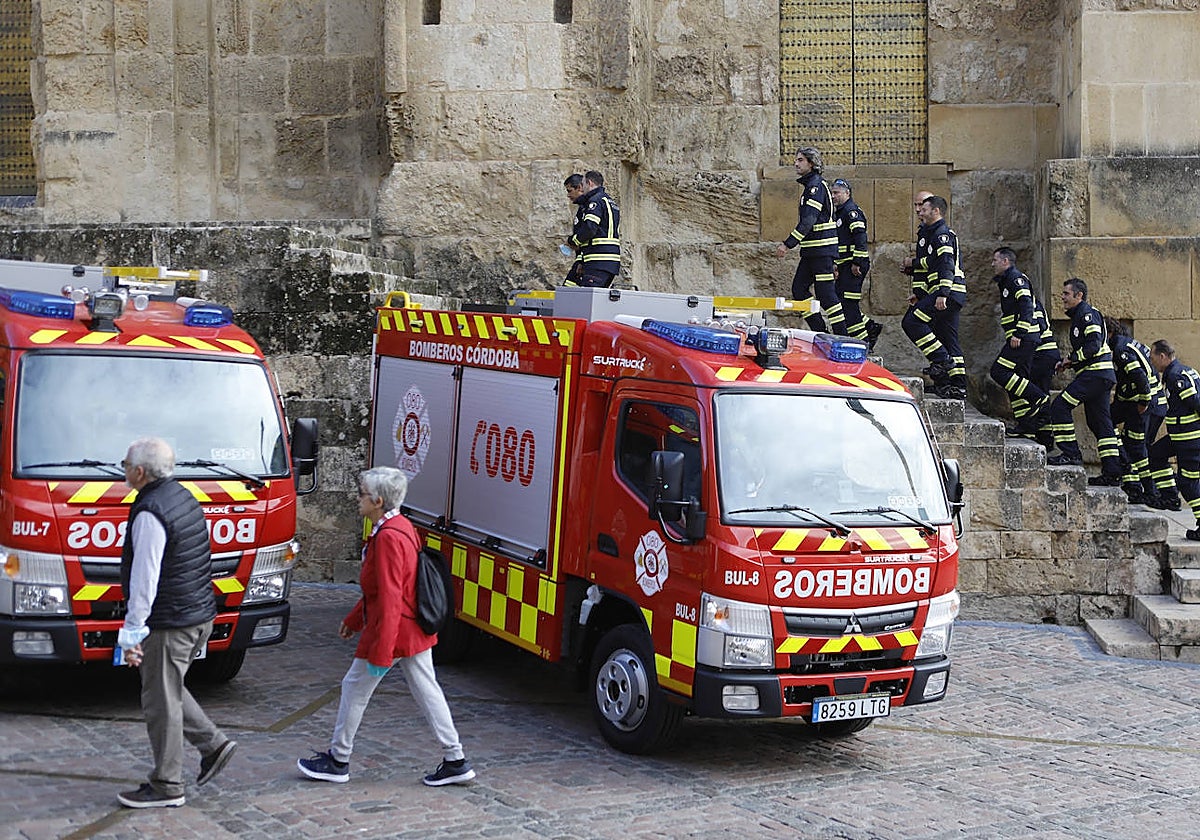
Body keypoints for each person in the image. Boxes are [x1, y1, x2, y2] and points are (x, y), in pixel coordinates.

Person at [298, 466, 476, 786]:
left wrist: (381, 650)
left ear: (378, 501)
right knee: (427, 690)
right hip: (411, 629)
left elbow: (391, 596)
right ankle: (455, 759)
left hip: (393, 631)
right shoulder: (400, 526)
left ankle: (339, 760)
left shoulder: (388, 537)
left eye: (363, 494)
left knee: (355, 688)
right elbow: (384, 591)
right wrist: (354, 620)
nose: (358, 499)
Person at [116, 437, 237, 809]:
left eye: (125, 464)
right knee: (167, 687)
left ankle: (168, 784)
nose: (122, 469)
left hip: (171, 620)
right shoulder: (182, 496)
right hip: (195, 612)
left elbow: (145, 579)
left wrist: (131, 632)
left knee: (159, 701)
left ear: (139, 471)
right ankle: (213, 745)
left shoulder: (151, 511)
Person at [1036, 279, 1122, 480]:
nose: (1062, 297)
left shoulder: (1087, 315)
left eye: (1066, 294)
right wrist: (1070, 363)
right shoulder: (1081, 315)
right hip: (1099, 374)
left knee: (1059, 407)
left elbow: (1093, 346)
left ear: (1079, 295)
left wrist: (1071, 358)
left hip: (1095, 374)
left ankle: (1071, 454)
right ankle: (1113, 472)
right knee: (1100, 423)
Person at [901, 195, 967, 399]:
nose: (920, 211)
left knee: (911, 321)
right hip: (946, 292)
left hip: (948, 292)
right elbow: (931, 265)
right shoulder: (930, 233)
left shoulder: (942, 234)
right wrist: (919, 292)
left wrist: (942, 293)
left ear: (936, 211)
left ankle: (942, 360)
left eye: (924, 208)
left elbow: (946, 264)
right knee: (948, 337)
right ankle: (956, 385)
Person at [989, 248, 1055, 437]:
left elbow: (1026, 305)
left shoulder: (1016, 279)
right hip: (1022, 337)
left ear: (1006, 261)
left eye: (995, 260)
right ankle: (1026, 425)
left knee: (999, 371)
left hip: (1024, 338)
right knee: (1016, 380)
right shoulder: (1007, 281)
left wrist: (1019, 333)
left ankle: (1038, 398)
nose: (993, 264)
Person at [775, 147, 839, 333]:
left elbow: (808, 220)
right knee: (799, 290)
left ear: (811, 163)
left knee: (827, 296)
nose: (796, 163)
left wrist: (787, 244)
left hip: (822, 251)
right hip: (813, 252)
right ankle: (821, 332)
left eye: (800, 160)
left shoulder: (815, 186)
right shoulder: (812, 185)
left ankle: (842, 336)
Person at [1104, 318, 1167, 503]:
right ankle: (1132, 483)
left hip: (1146, 405)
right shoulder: (1125, 343)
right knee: (1108, 423)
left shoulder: (1121, 350)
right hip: (1144, 403)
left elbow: (1139, 377)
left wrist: (1144, 401)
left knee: (1138, 448)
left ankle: (1149, 490)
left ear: (1109, 333)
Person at [1146, 340, 1200, 540]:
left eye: (1153, 358)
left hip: (1189, 438)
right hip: (1179, 436)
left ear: (1163, 356)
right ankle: (1169, 497)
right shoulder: (1182, 371)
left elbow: (1195, 401)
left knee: (1188, 483)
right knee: (1155, 455)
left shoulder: (1176, 376)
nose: (1152, 363)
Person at [830, 178, 882, 350]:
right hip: (845, 265)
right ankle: (870, 327)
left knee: (848, 305)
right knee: (841, 302)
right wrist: (836, 264)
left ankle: (863, 342)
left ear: (847, 193)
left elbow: (860, 238)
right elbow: (841, 243)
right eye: (832, 193)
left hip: (854, 267)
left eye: (836, 192)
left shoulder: (851, 212)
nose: (833, 196)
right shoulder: (839, 212)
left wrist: (857, 262)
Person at [565, 170, 621, 288]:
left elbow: (590, 228)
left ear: (589, 183)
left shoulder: (595, 201)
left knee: (586, 301)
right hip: (608, 261)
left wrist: (573, 241)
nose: (582, 188)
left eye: (583, 185)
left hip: (598, 260)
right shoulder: (609, 201)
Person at [562, 173, 586, 285]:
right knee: (568, 291)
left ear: (580, 188)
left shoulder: (588, 208)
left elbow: (588, 233)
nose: (568, 195)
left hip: (585, 260)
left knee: (567, 292)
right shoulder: (581, 208)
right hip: (581, 259)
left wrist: (571, 241)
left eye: (569, 191)